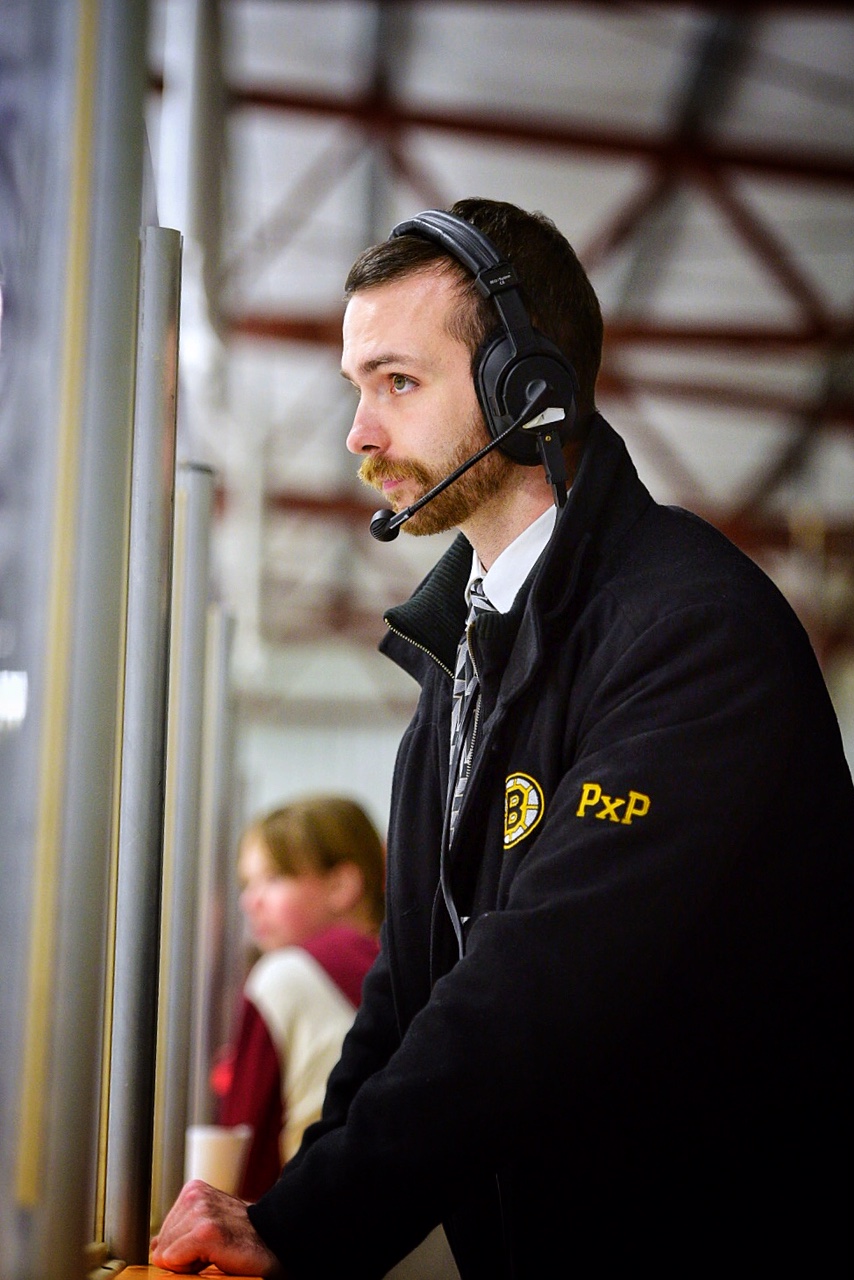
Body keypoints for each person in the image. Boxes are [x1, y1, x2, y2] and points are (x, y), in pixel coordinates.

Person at [152, 198, 854, 1277]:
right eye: (356, 387)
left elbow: (543, 986)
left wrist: (309, 1227)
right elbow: (405, 995)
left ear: (527, 390)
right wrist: (291, 1217)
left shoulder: (691, 630)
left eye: (397, 381)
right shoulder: (463, 654)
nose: (358, 434)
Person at [213, 795, 386, 1201]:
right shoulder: (427, 972)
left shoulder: (282, 975)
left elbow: (245, 1153)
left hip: (318, 1218)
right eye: (247, 884)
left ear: (341, 885)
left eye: (274, 879)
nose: (250, 902)